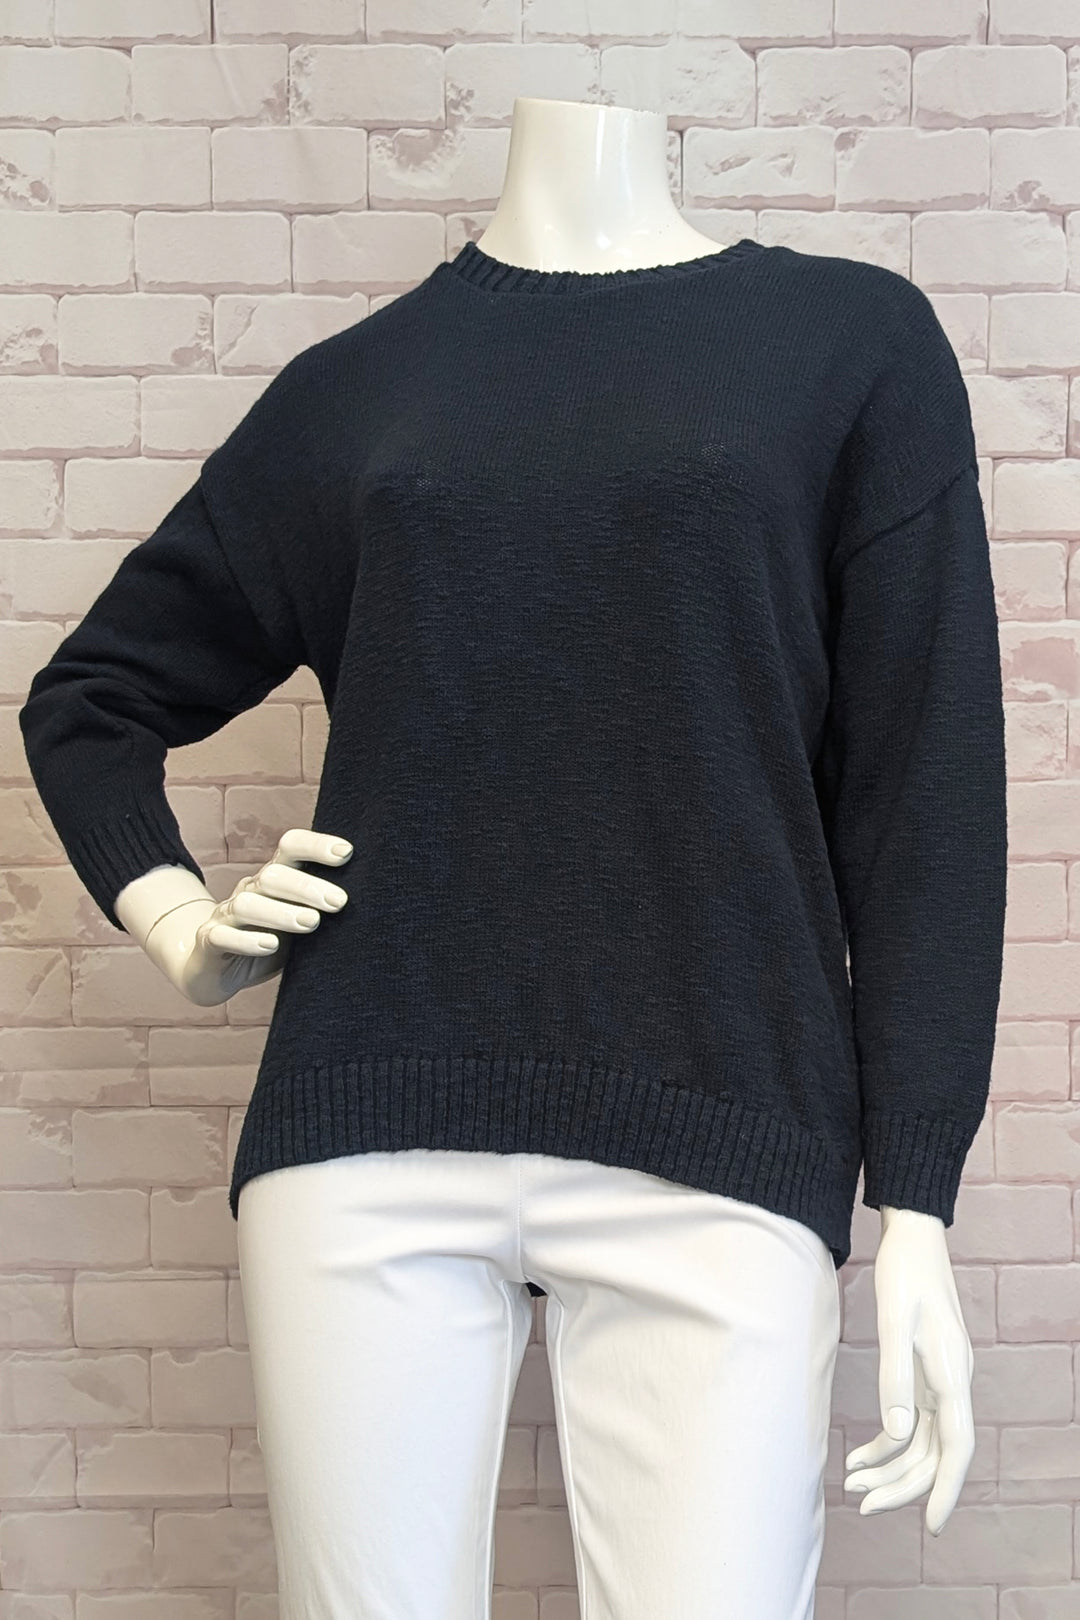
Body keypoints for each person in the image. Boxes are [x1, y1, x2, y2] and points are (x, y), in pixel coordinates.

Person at [18, 94, 1007, 1619]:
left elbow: (924, 793)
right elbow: (92, 700)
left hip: (725, 1119)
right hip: (371, 1127)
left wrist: (917, 1203)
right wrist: (181, 922)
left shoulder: (852, 347)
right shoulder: (361, 389)